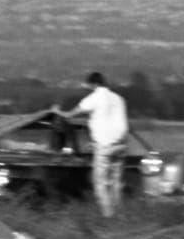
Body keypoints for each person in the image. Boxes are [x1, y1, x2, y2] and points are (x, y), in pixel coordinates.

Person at [54, 71, 129, 218]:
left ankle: (108, 215)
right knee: (116, 182)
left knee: (100, 183)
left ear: (93, 84)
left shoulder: (95, 97)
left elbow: (71, 114)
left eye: (88, 85)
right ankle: (120, 214)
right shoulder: (118, 99)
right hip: (121, 145)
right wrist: (93, 143)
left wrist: (57, 111)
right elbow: (110, 122)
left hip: (105, 147)